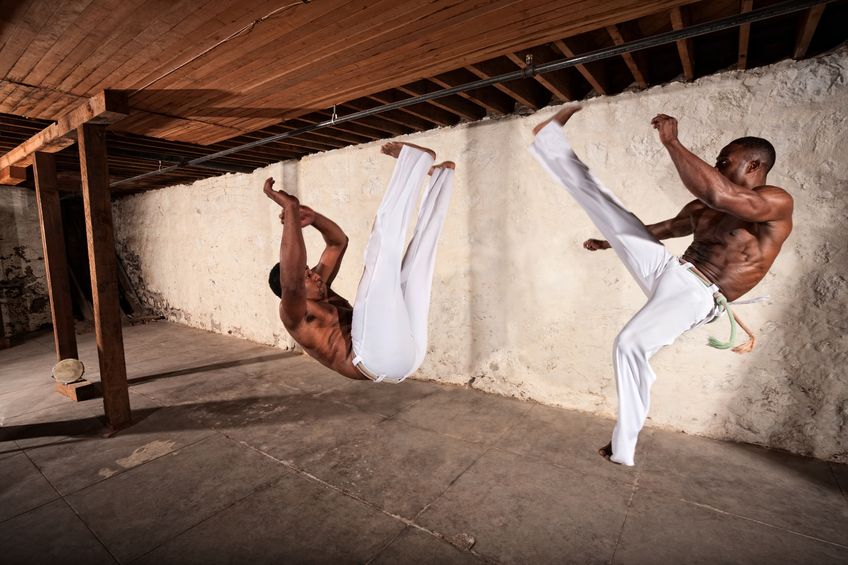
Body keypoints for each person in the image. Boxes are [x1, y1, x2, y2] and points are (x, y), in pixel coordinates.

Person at [529, 105, 793, 466]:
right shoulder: (704, 205)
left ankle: (623, 446)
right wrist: (612, 240)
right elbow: (668, 229)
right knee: (613, 211)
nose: (718, 166)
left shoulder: (775, 202)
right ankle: (550, 143)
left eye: (725, 160)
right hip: (671, 270)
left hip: (699, 293)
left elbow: (722, 196)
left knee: (629, 344)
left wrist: (672, 142)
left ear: (753, 166)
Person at [264, 141, 455, 383]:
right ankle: (413, 164)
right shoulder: (294, 313)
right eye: (306, 276)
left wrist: (315, 219)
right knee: (380, 256)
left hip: (408, 356)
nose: (313, 274)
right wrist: (290, 208)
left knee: (417, 269)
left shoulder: (319, 285)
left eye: (309, 270)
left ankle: (440, 179)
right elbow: (291, 281)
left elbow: (338, 243)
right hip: (373, 360)